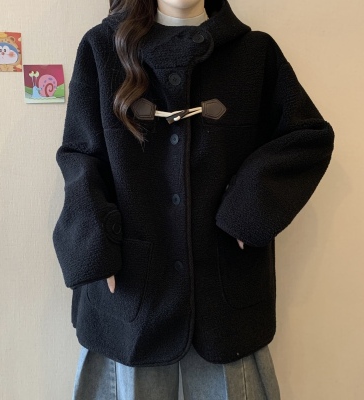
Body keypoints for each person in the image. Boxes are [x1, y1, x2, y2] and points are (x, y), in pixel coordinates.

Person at [52, 0, 335, 398]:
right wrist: (95, 249)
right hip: (129, 290)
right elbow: (80, 156)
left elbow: (306, 137)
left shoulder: (255, 53)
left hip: (225, 290)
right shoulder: (103, 48)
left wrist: (248, 212)